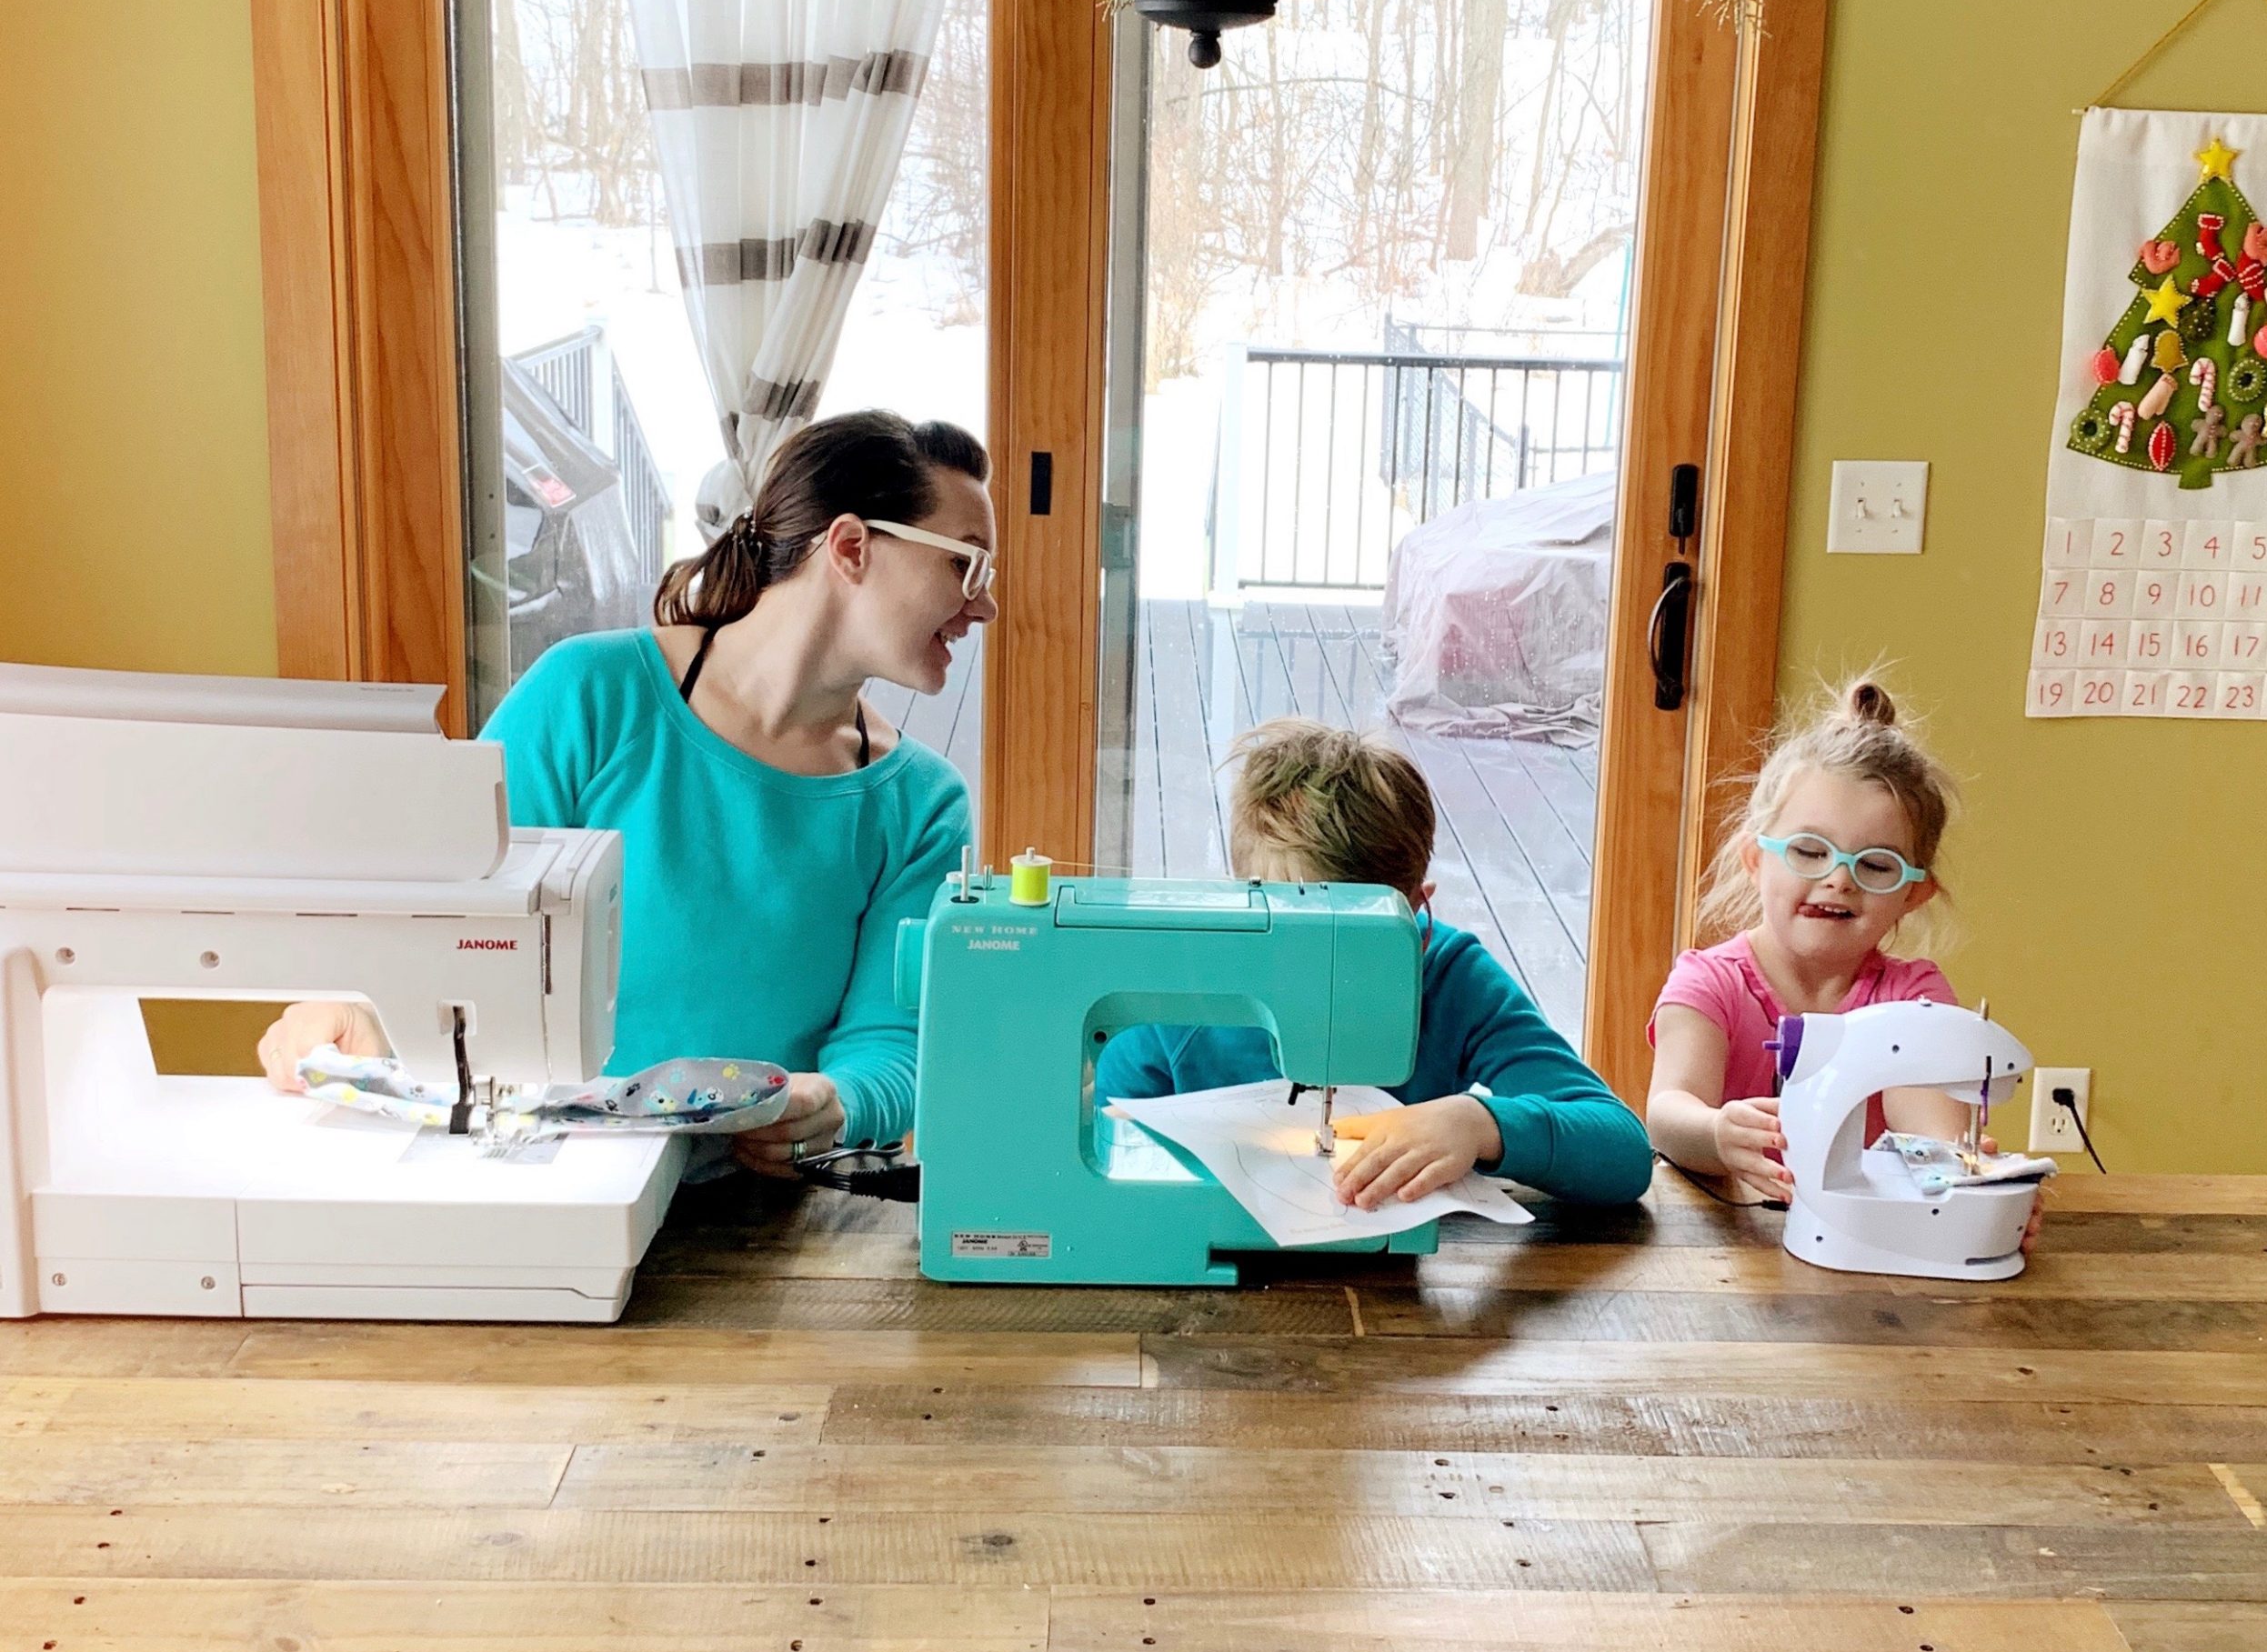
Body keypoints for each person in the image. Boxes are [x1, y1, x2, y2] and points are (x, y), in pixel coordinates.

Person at [257, 410, 996, 1176]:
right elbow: (440, 929)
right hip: (538, 1185)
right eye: (966, 566)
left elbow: (891, 1043)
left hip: (762, 1229)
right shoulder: (586, 698)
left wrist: (835, 1104)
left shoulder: (922, 805)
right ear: (850, 547)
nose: (985, 607)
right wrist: (363, 1013)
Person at [1094, 719, 1653, 1211]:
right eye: (1294, 935)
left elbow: (1624, 1153)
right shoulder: (1184, 993)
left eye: (1353, 945)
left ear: (1415, 911)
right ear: (1242, 900)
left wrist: (1480, 1124)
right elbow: (1117, 1143)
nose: (1319, 972)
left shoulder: (1452, 978)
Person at [1645, 675, 2028, 1226]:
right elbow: (1667, 1111)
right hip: (1724, 1245)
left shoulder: (1913, 998)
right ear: (1756, 860)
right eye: (1809, 851)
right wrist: (1717, 1134)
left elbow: (1933, 1132)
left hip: (1859, 1246)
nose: (1839, 880)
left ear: (1912, 896)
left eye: (1875, 866)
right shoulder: (1709, 984)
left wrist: (1975, 1193)